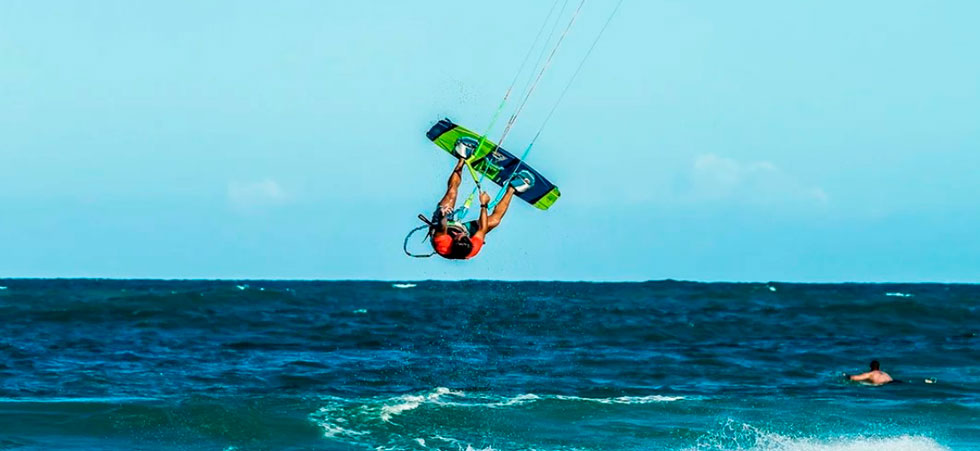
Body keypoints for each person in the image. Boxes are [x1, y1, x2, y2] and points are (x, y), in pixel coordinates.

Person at [428, 140, 532, 260]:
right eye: (463, 235)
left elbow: (442, 226)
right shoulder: (473, 247)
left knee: (451, 193)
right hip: (460, 235)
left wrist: (443, 215)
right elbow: (483, 228)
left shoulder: (442, 243)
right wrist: (484, 205)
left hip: (443, 226)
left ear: (453, 241)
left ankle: (462, 157)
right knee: (495, 221)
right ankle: (513, 188)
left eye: (458, 236)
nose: (459, 234)